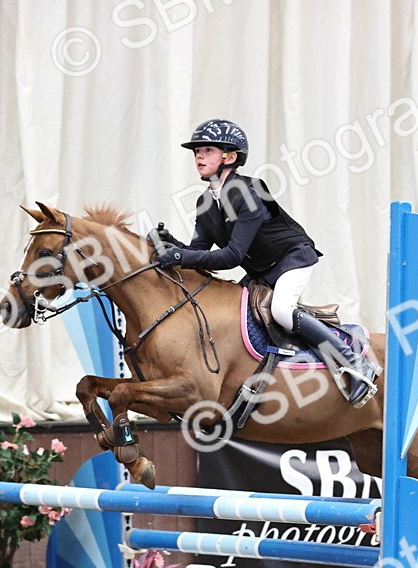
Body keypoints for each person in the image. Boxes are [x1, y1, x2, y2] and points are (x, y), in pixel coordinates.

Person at [155, 118, 377, 406]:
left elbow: (231, 257)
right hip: (262, 270)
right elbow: (198, 253)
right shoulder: (205, 203)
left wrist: (180, 256)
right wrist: (170, 244)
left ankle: (354, 364)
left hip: (293, 258)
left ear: (230, 157)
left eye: (208, 150)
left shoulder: (248, 192)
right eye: (196, 151)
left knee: (282, 310)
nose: (198, 156)